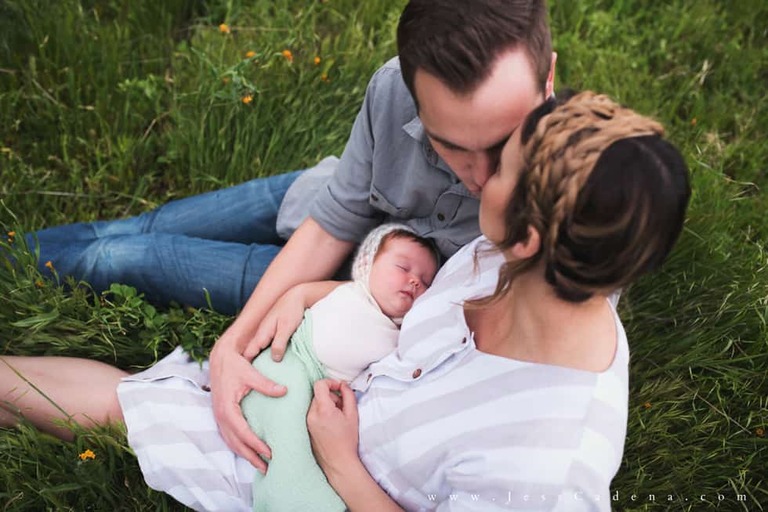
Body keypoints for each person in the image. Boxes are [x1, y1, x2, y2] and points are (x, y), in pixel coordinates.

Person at [0, 91, 691, 511]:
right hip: (331, 370)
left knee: (135, 413)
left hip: (318, 482)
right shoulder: (508, 261)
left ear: (530, 238)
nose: (482, 173)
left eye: (502, 167)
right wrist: (313, 292)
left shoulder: (548, 470)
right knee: (150, 396)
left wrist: (339, 461)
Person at [241, 223, 438, 512]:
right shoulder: (350, 291)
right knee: (288, 413)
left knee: (304, 425)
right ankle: (289, 494)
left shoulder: (402, 336)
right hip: (290, 359)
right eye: (403, 267)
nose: (414, 281)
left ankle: (298, 488)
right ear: (368, 265)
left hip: (319, 385)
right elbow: (300, 298)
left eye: (425, 281)